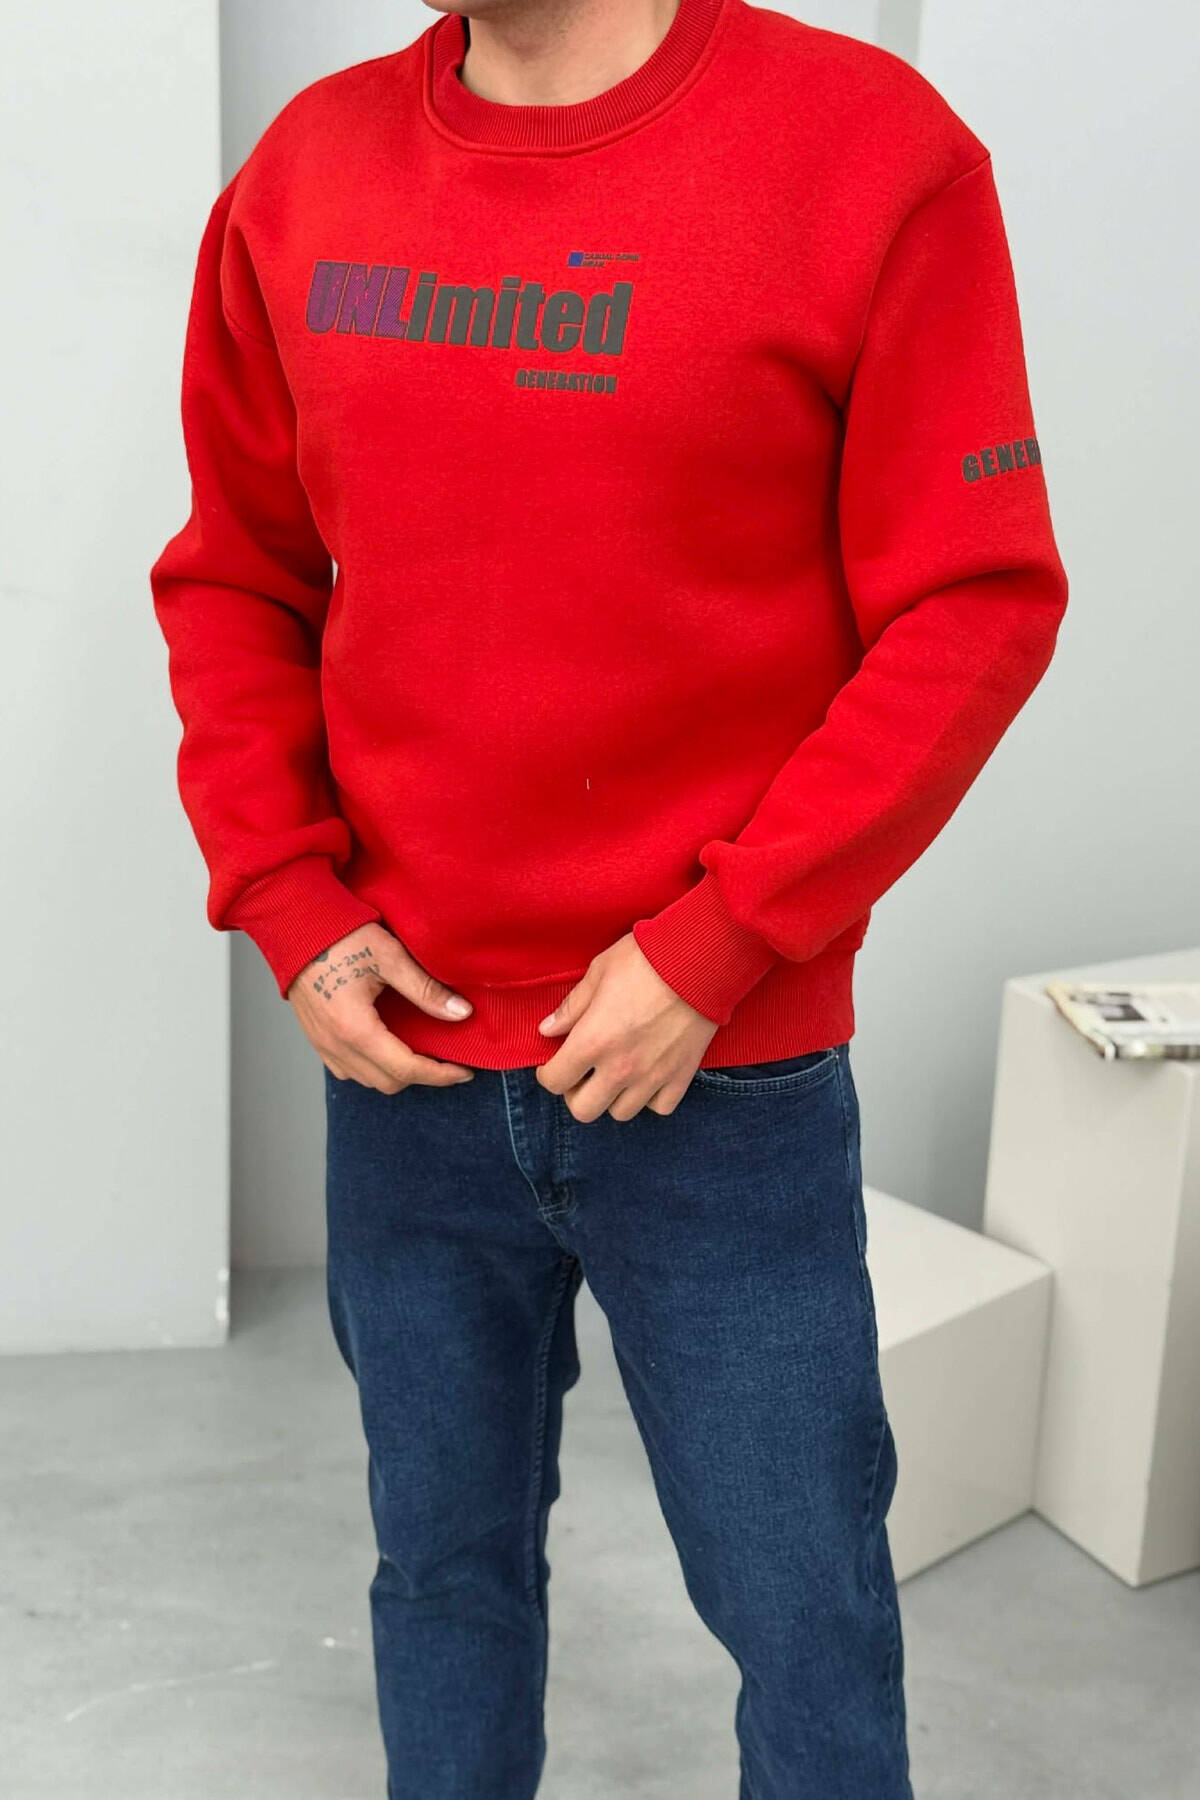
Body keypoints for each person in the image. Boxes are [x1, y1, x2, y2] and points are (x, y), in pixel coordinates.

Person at [150, 0, 1068, 1792]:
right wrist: (287, 898)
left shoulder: (869, 155)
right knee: (444, 1578)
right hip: (408, 1068)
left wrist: (723, 944)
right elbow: (237, 577)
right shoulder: (305, 179)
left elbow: (976, 603)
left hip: (722, 1082)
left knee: (804, 1617)